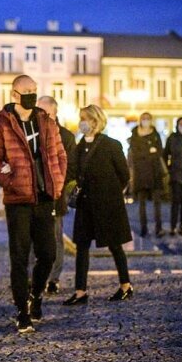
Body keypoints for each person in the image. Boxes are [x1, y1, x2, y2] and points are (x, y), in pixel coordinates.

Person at [0, 75, 67, 333]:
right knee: (19, 257)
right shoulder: (1, 123)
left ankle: (36, 295)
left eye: (34, 90)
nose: (31, 94)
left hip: (45, 196)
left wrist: (58, 179)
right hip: (18, 199)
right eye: (26, 91)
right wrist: (8, 179)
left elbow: (60, 154)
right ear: (14, 95)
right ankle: (22, 311)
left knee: (48, 254)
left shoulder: (45, 120)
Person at [63, 105, 134, 306]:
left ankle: (125, 286)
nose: (81, 122)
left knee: (115, 245)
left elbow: (124, 175)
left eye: (84, 118)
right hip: (86, 204)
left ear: (95, 121)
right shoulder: (79, 146)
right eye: (80, 118)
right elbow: (72, 171)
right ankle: (80, 291)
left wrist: (111, 192)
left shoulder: (111, 144)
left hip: (107, 204)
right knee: (82, 247)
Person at [35, 96, 76, 295]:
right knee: (34, 238)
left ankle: (53, 278)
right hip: (34, 195)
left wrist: (54, 182)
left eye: (43, 112)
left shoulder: (66, 136)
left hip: (55, 196)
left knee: (55, 239)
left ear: (53, 112)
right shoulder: (34, 133)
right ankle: (34, 277)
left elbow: (70, 168)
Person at [127, 112, 165, 238]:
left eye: (148, 119)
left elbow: (159, 151)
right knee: (141, 204)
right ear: (140, 120)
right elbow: (135, 155)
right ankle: (144, 229)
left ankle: (158, 228)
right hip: (141, 174)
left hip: (155, 173)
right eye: (143, 119)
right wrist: (149, 152)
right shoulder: (135, 135)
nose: (146, 121)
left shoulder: (155, 134)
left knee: (157, 203)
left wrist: (148, 153)